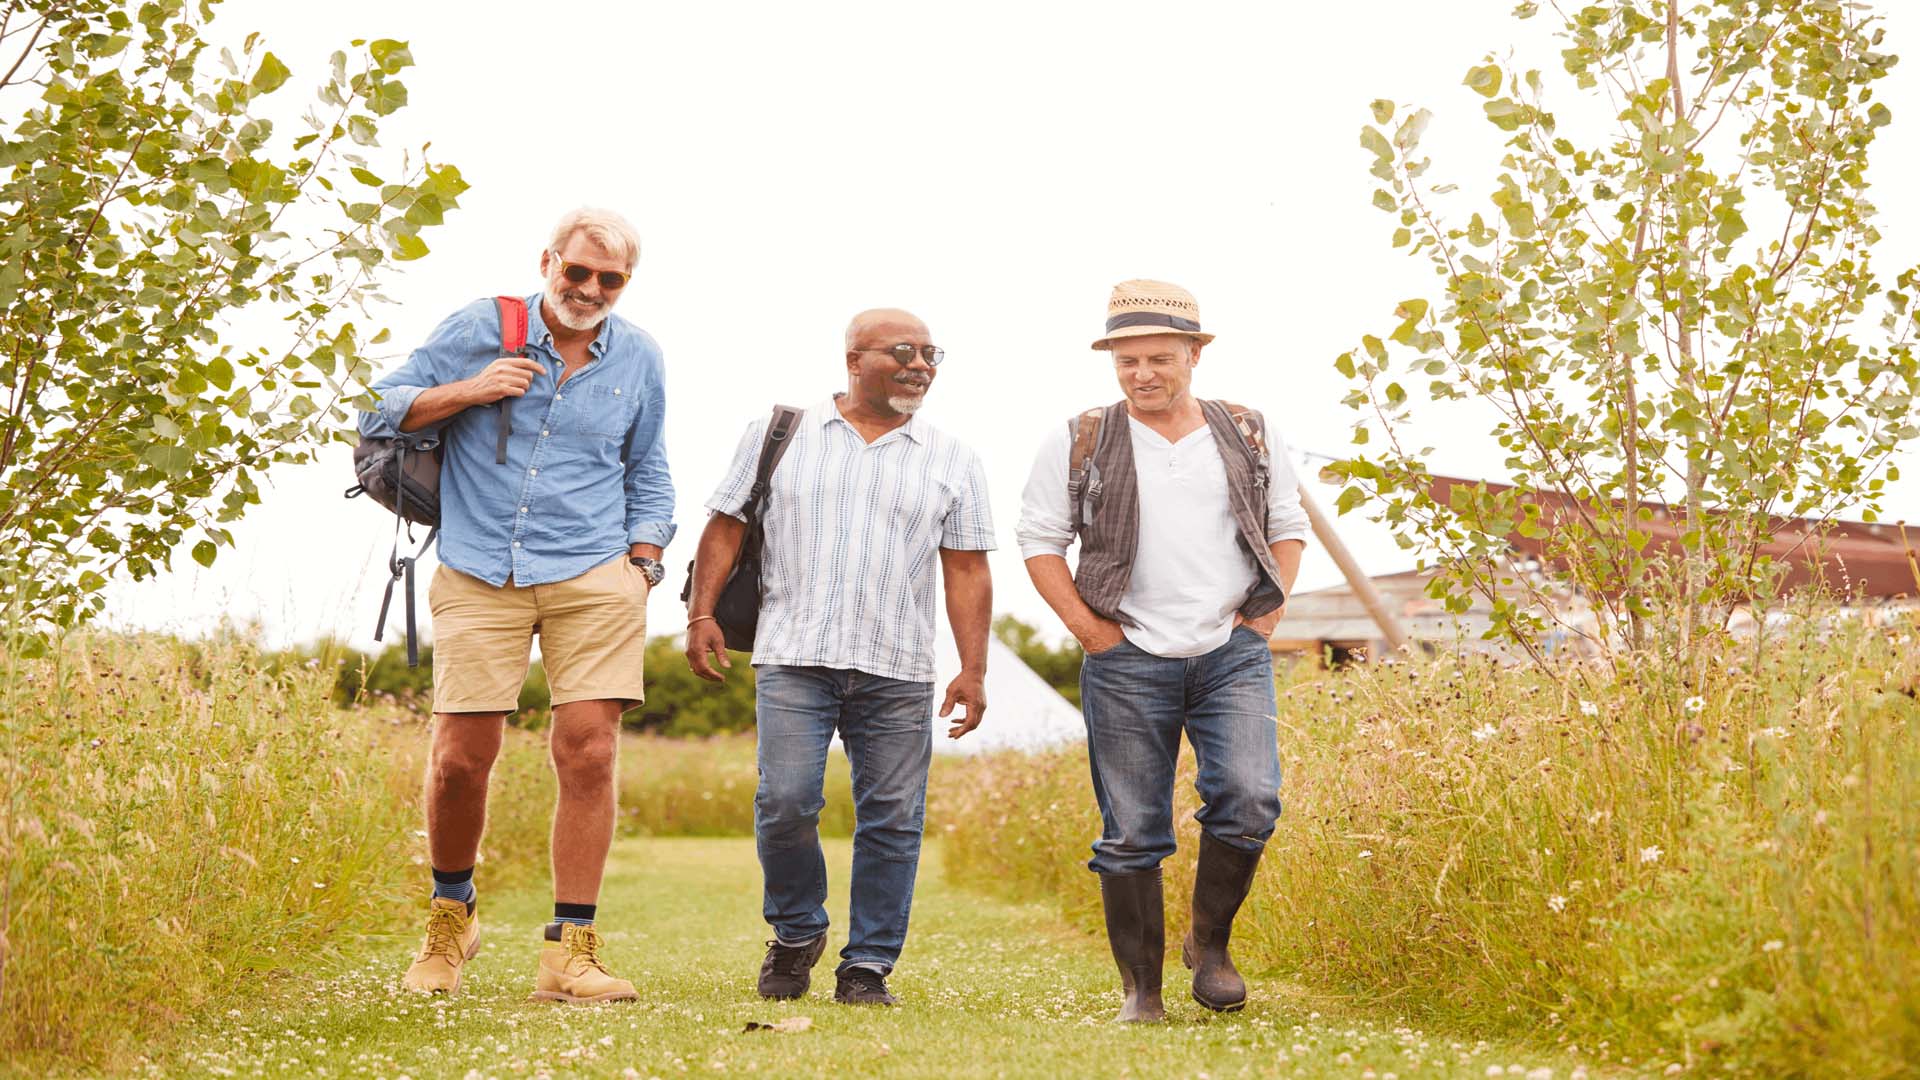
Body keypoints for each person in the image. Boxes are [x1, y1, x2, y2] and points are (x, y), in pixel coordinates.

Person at [358, 207, 674, 1003]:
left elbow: (650, 466)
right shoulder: (482, 325)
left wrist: (644, 559)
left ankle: (570, 951)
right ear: (548, 262)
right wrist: (471, 388)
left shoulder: (638, 357)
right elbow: (376, 409)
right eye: (577, 272)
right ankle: (450, 918)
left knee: (590, 751)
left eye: (610, 279)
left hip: (594, 570)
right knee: (462, 759)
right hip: (478, 566)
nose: (590, 289)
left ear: (624, 284)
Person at [1014, 279, 1309, 1021]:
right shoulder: (1080, 436)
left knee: (1249, 798)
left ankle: (1209, 948)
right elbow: (1039, 541)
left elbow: (1287, 523)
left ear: (1195, 354)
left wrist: (1265, 620)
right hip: (1126, 657)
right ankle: (1141, 991)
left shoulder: (1247, 430)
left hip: (1230, 651)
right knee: (1132, 829)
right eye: (1126, 361)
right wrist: (1092, 633)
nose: (1142, 373)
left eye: (1158, 359)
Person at [684, 308, 995, 1007]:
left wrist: (972, 668)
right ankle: (796, 933)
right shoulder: (781, 435)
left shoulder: (954, 458)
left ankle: (868, 967)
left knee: (892, 817)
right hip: (794, 653)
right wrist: (701, 613)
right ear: (854, 360)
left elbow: (968, 569)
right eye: (903, 351)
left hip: (899, 665)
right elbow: (726, 525)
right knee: (785, 802)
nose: (921, 365)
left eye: (931, 353)